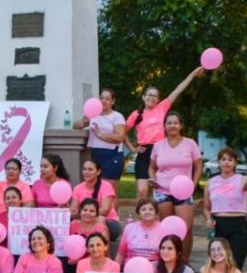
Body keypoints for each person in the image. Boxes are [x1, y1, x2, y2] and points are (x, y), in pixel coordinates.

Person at [125, 67, 204, 200]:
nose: (151, 97)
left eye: (155, 95)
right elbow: (123, 132)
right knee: (142, 190)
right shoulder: (136, 114)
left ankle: (153, 217)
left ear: (158, 99)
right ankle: (140, 219)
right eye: (149, 95)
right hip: (144, 153)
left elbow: (178, 90)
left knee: (155, 190)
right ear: (143, 97)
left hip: (161, 152)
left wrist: (192, 74)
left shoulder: (162, 107)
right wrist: (132, 148)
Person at [149, 111, 202, 262]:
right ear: (164, 126)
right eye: (169, 123)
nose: (172, 125)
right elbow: (152, 167)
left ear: (181, 125)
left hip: (183, 192)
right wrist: (153, 179)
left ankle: (184, 263)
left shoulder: (190, 143)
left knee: (187, 228)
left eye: (175, 122)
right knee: (167, 230)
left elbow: (198, 166)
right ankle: (169, 262)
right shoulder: (158, 146)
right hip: (162, 191)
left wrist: (193, 184)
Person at [74, 89, 127, 190]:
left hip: (111, 155)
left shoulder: (117, 116)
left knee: (109, 190)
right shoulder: (93, 115)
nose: (104, 101)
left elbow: (120, 137)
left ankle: (111, 207)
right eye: (101, 98)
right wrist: (82, 124)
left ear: (113, 101)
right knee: (95, 188)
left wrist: (100, 134)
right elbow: (75, 125)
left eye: (107, 99)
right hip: (94, 155)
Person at [70, 159, 122, 241]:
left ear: (98, 172)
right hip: (84, 222)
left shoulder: (106, 186)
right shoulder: (78, 188)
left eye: (90, 169)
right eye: (84, 169)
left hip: (108, 223)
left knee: (101, 219)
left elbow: (105, 211)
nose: (86, 172)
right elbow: (74, 211)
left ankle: (104, 252)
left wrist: (85, 214)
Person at [115, 199, 162, 266]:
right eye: (144, 209)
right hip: (131, 266)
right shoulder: (129, 228)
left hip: (154, 268)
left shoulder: (163, 228)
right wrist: (115, 270)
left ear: (156, 213)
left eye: (151, 209)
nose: (147, 212)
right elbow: (121, 253)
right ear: (139, 214)